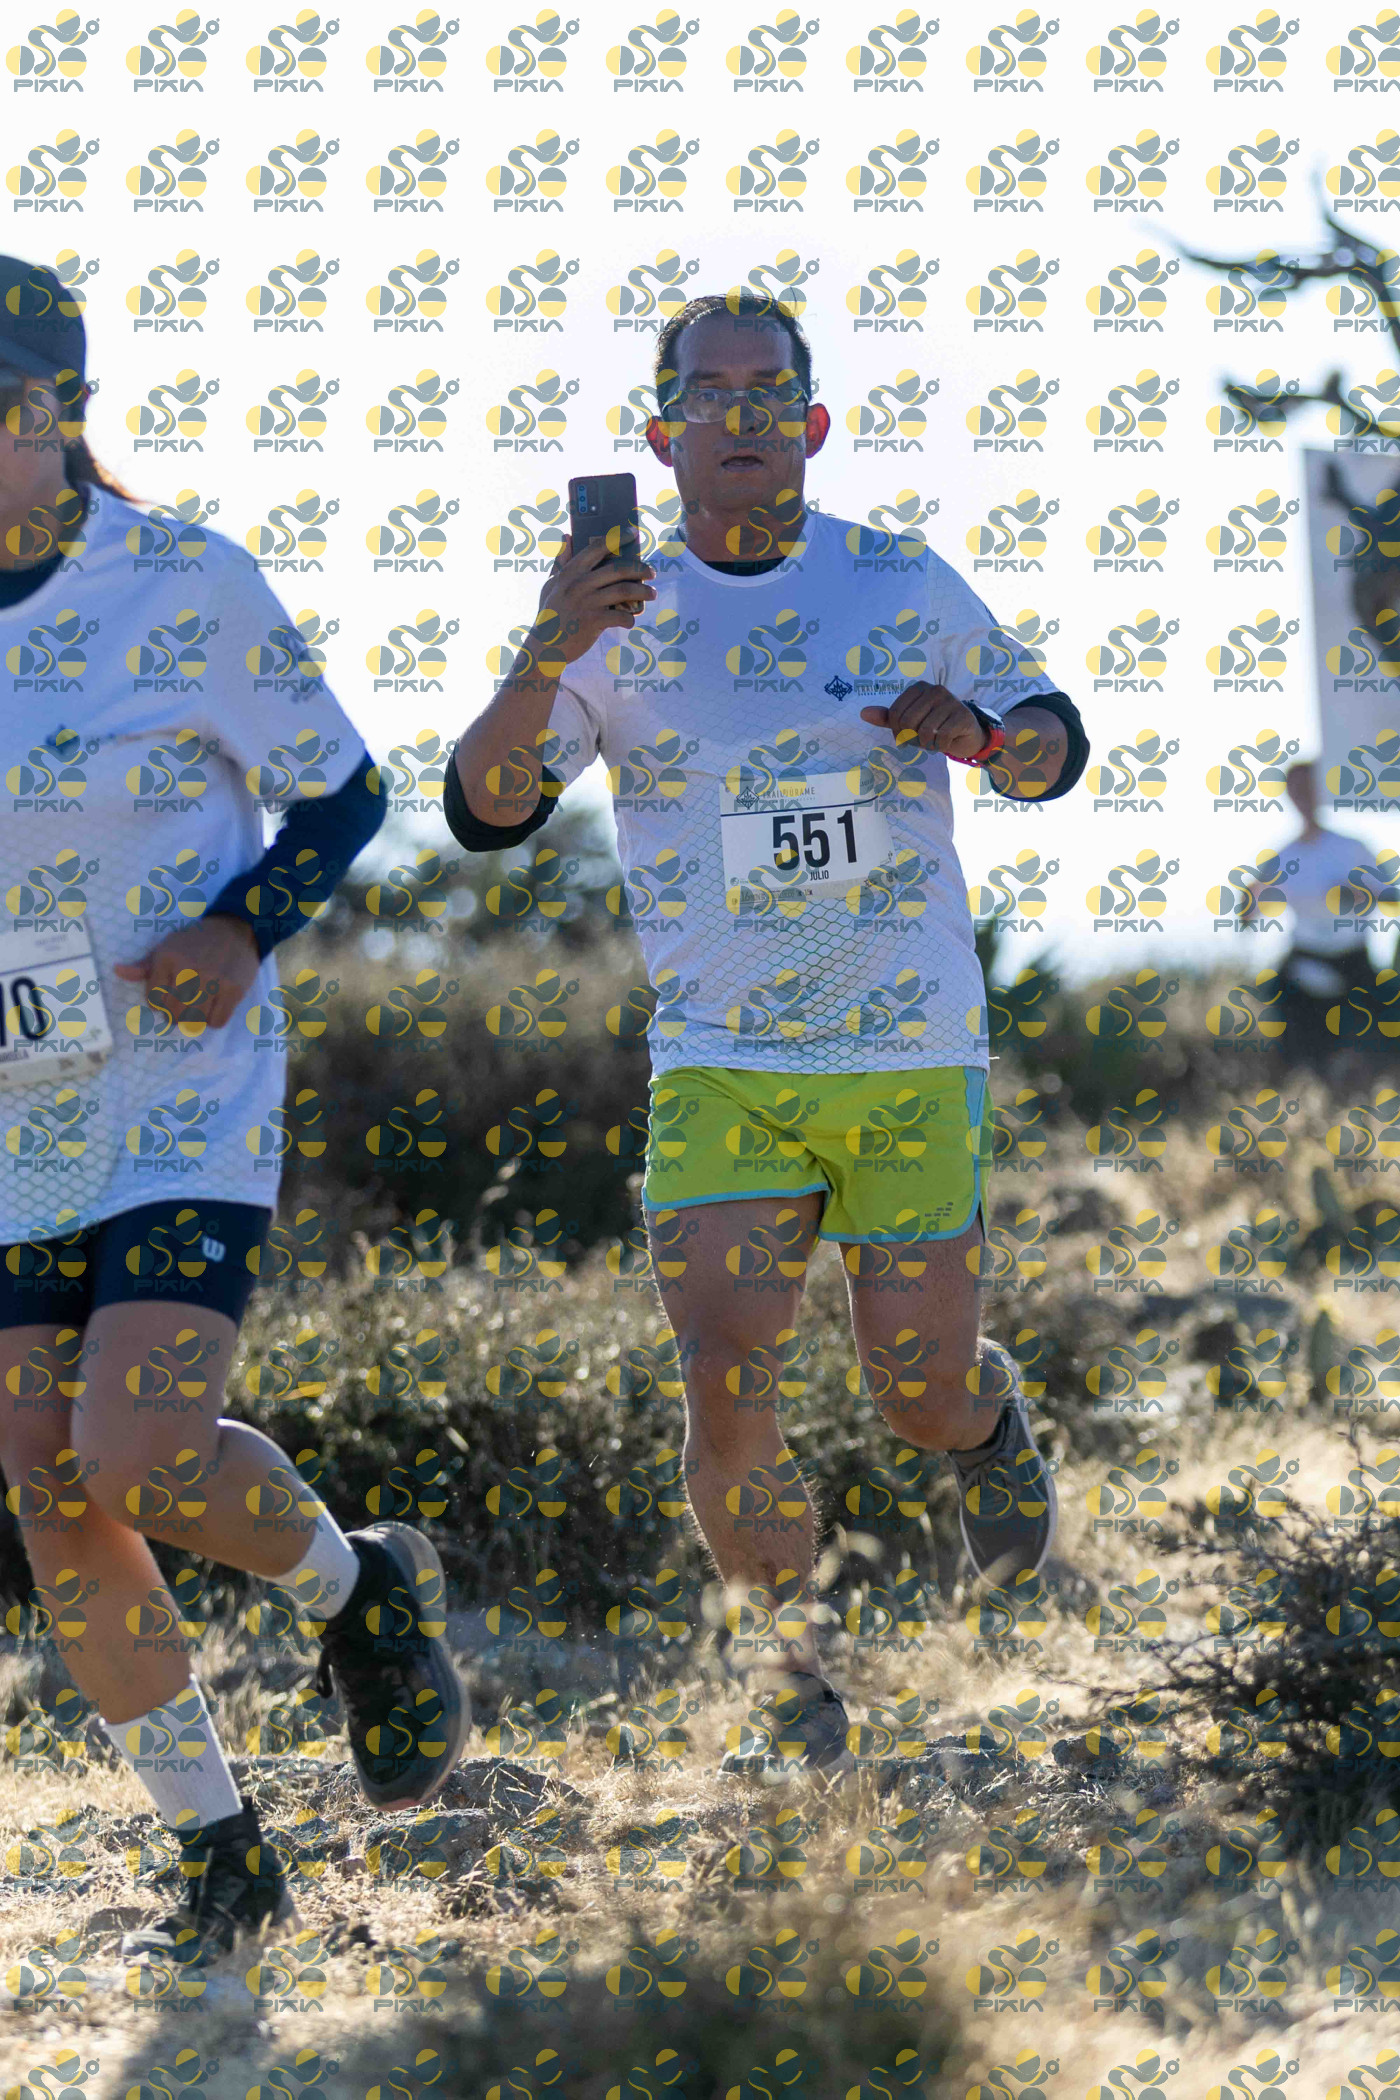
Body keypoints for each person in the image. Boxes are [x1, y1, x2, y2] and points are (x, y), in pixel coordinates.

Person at [447, 289, 1089, 1779]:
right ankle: (791, 1678)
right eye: (707, 394)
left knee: (913, 1395)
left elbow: (1053, 744)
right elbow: (487, 811)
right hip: (724, 1061)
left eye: (765, 392)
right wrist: (545, 650)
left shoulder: (895, 578)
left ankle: (984, 1423)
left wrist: (985, 739)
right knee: (725, 1377)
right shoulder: (610, 621)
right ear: (660, 434)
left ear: (810, 424)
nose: (737, 417)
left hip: (905, 1049)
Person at [0, 255, 468, 1964]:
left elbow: (343, 794)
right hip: (15, 1104)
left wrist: (238, 926)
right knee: (52, 1490)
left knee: (135, 1451)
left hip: (180, 1080)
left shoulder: (179, 580)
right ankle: (219, 1851)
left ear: (62, 406)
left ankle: (362, 1591)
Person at [1238, 759, 1386, 1058]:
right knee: (1292, 1040)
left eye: (1309, 786)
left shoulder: (1352, 847)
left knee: (1376, 1041)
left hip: (1353, 961)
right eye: (1296, 788)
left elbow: (1389, 895)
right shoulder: (1281, 858)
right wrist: (1247, 900)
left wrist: (1358, 894)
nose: (1304, 795)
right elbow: (1248, 915)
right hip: (1304, 962)